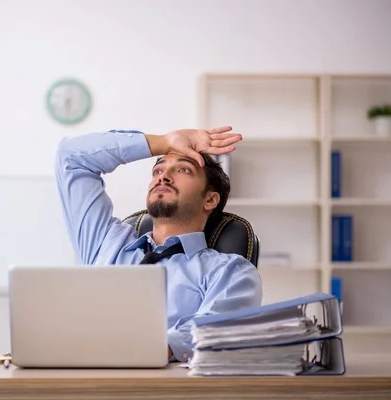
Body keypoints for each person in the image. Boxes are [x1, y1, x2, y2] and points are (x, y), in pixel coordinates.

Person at [54, 126, 263, 362]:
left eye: (184, 169)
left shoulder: (231, 271)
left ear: (210, 199)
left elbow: (206, 333)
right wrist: (164, 142)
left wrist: (117, 350)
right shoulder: (106, 243)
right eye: (157, 171)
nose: (162, 176)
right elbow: (70, 156)